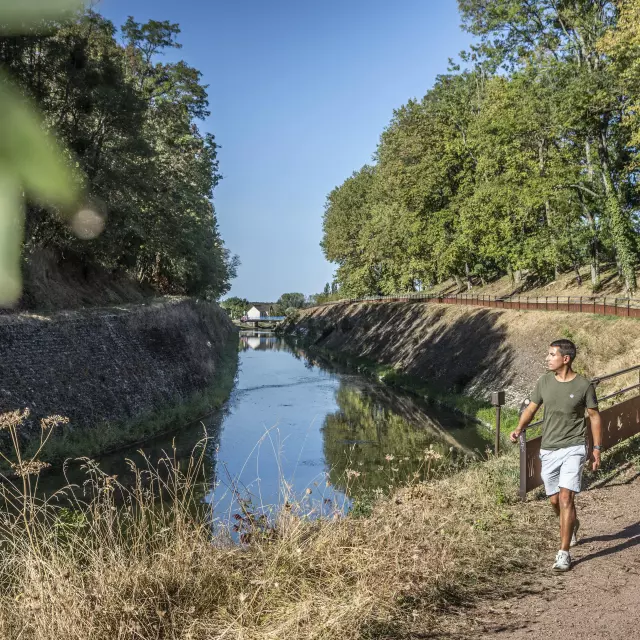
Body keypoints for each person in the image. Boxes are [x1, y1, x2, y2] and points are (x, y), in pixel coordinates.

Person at [510, 339, 602, 572]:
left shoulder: (583, 386)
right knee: (553, 500)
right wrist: (520, 428)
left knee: (565, 498)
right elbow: (531, 408)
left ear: (566, 359)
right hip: (549, 448)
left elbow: (594, 417)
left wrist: (596, 449)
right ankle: (572, 524)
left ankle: (563, 553)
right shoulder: (544, 382)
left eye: (552, 355)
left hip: (574, 447)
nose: (547, 358)